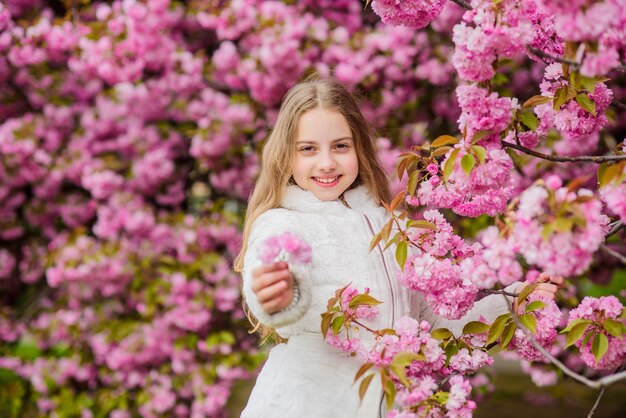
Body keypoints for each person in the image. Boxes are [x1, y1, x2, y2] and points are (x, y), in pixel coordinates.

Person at [233, 77, 562, 417]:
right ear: (286, 156)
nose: (327, 162)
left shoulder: (396, 228)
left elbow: (434, 327)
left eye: (341, 146)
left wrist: (516, 304)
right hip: (310, 403)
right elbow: (272, 265)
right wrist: (276, 296)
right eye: (308, 149)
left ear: (359, 148)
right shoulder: (285, 223)